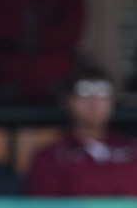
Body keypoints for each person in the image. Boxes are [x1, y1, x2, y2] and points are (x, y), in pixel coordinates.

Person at [27, 66, 137, 195]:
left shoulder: (132, 151)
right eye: (84, 95)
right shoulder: (52, 157)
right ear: (67, 101)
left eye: (102, 95)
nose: (94, 103)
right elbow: (44, 205)